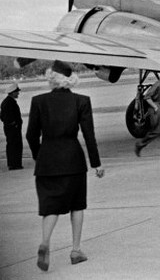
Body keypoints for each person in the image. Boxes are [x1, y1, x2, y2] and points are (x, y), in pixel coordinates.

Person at [26, 60, 104, 271]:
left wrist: (38, 156)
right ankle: (76, 250)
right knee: (77, 205)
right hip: (73, 160)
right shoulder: (82, 101)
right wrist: (96, 163)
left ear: (51, 78)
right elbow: (89, 135)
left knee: (50, 206)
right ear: (71, 79)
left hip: (47, 162)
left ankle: (45, 242)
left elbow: (31, 134)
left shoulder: (38, 101)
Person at [134, 67, 160, 157]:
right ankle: (139, 145)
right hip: (155, 109)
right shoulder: (157, 85)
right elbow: (147, 97)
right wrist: (155, 107)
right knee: (156, 131)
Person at [1, 82, 24, 170]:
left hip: (10, 128)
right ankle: (15, 164)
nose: (18, 93)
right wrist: (15, 124)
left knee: (12, 145)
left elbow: (2, 117)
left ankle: (13, 163)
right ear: (13, 92)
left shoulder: (6, 102)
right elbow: (6, 117)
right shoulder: (9, 103)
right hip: (12, 129)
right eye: (17, 92)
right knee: (15, 145)